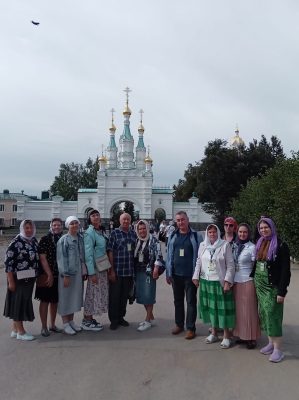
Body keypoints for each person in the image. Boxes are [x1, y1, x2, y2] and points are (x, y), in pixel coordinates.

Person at [250, 217, 291, 362]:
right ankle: (270, 343)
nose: (263, 230)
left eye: (266, 227)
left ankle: (278, 350)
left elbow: (286, 271)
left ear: (272, 227)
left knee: (273, 316)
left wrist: (281, 292)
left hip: (272, 287)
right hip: (260, 286)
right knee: (264, 315)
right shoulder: (260, 243)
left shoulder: (281, 245)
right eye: (261, 228)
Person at [192, 224, 235, 348]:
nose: (212, 234)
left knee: (223, 309)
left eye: (214, 232)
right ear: (207, 233)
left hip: (219, 282)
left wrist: (227, 281)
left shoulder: (225, 245)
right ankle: (214, 333)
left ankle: (226, 335)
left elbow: (231, 265)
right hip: (206, 281)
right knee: (211, 308)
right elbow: (199, 262)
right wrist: (195, 276)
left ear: (218, 232)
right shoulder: (203, 245)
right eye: (210, 232)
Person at [166, 211, 203, 340]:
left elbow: (201, 256)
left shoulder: (195, 236)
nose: (180, 222)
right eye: (178, 220)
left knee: (191, 302)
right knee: (178, 301)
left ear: (188, 220)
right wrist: (168, 272)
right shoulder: (172, 235)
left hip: (190, 275)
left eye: (183, 219)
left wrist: (198, 275)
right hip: (176, 275)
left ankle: (191, 328)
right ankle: (179, 324)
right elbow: (169, 254)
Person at [4, 219, 39, 341]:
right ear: (22, 229)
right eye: (26, 228)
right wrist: (11, 282)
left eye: (30, 228)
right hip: (18, 280)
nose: (29, 230)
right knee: (18, 303)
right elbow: (8, 264)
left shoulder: (33, 240)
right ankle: (21, 332)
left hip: (29, 278)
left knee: (23, 302)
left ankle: (15, 329)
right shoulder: (15, 242)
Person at [232, 223, 261, 349]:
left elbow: (257, 265)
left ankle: (252, 337)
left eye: (244, 232)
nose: (242, 234)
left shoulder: (252, 247)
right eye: (240, 232)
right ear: (237, 232)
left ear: (248, 233)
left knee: (250, 311)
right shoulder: (233, 245)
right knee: (239, 311)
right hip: (236, 282)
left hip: (248, 281)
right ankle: (241, 335)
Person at [56, 216, 85, 335]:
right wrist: (65, 275)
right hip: (67, 275)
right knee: (65, 297)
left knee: (74, 297)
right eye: (72, 224)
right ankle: (65, 323)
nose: (74, 225)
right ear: (68, 226)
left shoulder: (80, 238)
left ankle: (71, 321)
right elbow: (61, 259)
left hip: (77, 274)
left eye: (76, 223)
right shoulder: (64, 240)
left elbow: (82, 256)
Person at [107, 213, 136, 330]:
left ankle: (121, 317)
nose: (126, 221)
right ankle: (113, 320)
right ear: (120, 221)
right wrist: (111, 270)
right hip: (117, 271)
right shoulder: (114, 233)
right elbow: (110, 252)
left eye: (128, 219)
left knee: (124, 296)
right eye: (124, 219)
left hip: (128, 271)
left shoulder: (133, 234)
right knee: (114, 297)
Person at [35, 218, 63, 337]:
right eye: (54, 225)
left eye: (59, 225)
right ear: (51, 226)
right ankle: (44, 327)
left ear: (62, 227)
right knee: (45, 300)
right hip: (46, 275)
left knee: (54, 301)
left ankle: (52, 325)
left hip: (58, 275)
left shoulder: (62, 239)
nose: (56, 227)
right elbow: (42, 258)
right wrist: (49, 274)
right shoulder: (45, 239)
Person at [134, 220, 164, 332]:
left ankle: (147, 320)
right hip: (138, 271)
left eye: (144, 228)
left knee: (149, 295)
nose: (142, 231)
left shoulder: (153, 240)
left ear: (147, 228)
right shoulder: (137, 240)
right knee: (142, 295)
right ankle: (149, 316)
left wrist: (156, 269)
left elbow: (159, 255)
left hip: (149, 272)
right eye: (139, 229)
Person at [81, 209, 109, 331]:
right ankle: (86, 320)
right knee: (92, 294)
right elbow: (88, 254)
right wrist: (91, 272)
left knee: (97, 293)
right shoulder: (89, 233)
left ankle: (90, 318)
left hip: (102, 267)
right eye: (93, 215)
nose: (96, 217)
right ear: (89, 219)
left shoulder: (100, 231)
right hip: (96, 269)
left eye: (97, 215)